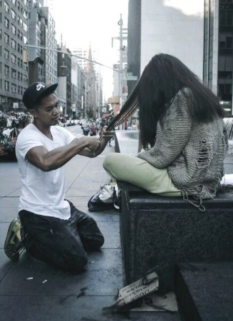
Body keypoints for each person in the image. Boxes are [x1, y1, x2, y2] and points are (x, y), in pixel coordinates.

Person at [4, 82, 113, 269]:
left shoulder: (59, 131)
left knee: (95, 240)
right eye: (49, 109)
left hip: (61, 207)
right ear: (34, 112)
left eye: (56, 106)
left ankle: (62, 234)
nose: (56, 112)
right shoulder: (27, 137)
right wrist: (81, 141)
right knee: (77, 261)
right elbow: (46, 162)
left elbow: (91, 152)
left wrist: (104, 139)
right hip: (36, 213)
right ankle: (27, 237)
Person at [103, 53, 228, 211]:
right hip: (208, 183)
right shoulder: (203, 97)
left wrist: (138, 159)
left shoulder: (183, 98)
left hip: (185, 183)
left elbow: (163, 155)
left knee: (111, 161)